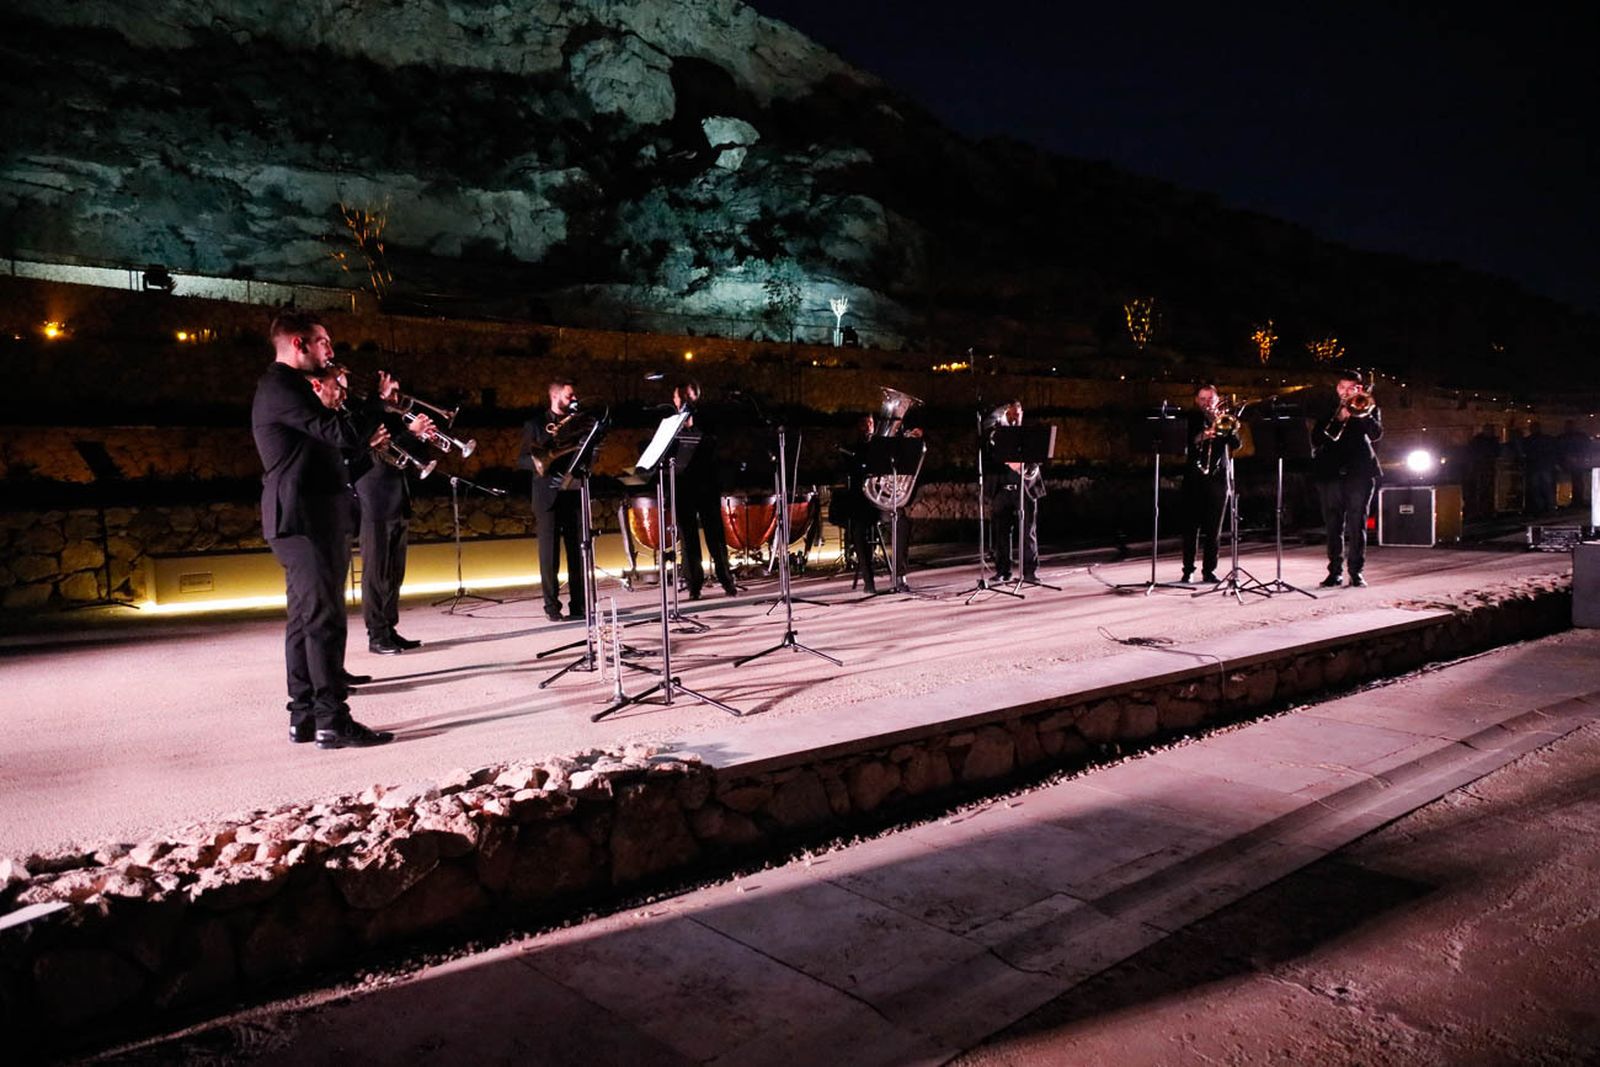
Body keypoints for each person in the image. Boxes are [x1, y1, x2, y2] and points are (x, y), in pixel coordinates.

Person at [251, 311, 395, 749]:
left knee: (304, 621)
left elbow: (331, 449)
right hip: (304, 520)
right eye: (324, 343)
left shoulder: (290, 389)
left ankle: (305, 716)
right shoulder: (282, 387)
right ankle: (333, 720)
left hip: (308, 517)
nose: (331, 352)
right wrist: (375, 403)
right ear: (299, 344)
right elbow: (343, 432)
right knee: (324, 621)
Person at [350, 385, 434, 655]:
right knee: (376, 574)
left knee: (395, 574)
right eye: (392, 390)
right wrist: (412, 434)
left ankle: (389, 628)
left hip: (397, 502)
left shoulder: (393, 421)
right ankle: (376, 634)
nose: (398, 395)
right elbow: (377, 456)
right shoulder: (366, 419)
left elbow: (402, 460)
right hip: (375, 505)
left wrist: (420, 438)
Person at [520, 378, 585, 622]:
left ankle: (578, 604)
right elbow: (522, 459)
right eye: (569, 396)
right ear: (555, 396)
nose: (573, 400)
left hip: (572, 491)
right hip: (546, 494)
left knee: (578, 552)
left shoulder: (577, 424)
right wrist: (539, 462)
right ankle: (551, 606)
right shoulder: (535, 424)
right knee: (549, 555)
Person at [1312, 371, 1383, 588]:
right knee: (1333, 525)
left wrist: (1362, 414)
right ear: (1337, 388)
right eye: (1342, 387)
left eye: (1350, 388)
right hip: (1330, 473)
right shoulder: (1327, 409)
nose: (1345, 392)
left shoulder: (1369, 407)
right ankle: (1334, 572)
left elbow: (1376, 434)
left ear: (1358, 389)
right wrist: (1339, 418)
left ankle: (1356, 572)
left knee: (1357, 524)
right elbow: (1316, 440)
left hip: (1359, 473)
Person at [670, 379, 738, 599]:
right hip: (683, 486)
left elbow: (715, 445)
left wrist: (693, 425)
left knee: (715, 535)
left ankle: (726, 579)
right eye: (679, 398)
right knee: (688, 539)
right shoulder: (670, 422)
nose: (679, 401)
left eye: (683, 397)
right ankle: (694, 585)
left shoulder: (708, 418)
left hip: (706, 483)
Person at [843, 413, 914, 593]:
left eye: (871, 422)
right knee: (859, 530)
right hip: (864, 503)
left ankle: (899, 576)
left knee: (902, 521)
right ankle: (869, 581)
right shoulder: (851, 449)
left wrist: (908, 443)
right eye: (864, 423)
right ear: (858, 427)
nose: (869, 426)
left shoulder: (884, 446)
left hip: (882, 501)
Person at [1179, 385, 1239, 584]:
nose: (1206, 402)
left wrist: (1220, 423)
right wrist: (1203, 436)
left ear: (1217, 400)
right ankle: (1188, 570)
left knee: (1214, 529)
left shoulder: (1224, 418)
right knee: (1190, 528)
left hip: (1218, 478)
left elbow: (1237, 444)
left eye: (1210, 399)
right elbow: (1182, 444)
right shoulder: (1190, 418)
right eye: (1202, 398)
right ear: (1196, 400)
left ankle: (1209, 570)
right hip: (1194, 478)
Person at [987, 400, 1044, 582]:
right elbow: (989, 457)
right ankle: (1003, 570)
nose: (1013, 418)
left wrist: (1022, 466)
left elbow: (1039, 458)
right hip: (1002, 490)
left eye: (1016, 415)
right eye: (1010, 415)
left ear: (1022, 414)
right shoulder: (996, 434)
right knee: (1001, 532)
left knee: (1028, 531)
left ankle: (1029, 572)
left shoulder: (1030, 434)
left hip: (1024, 488)